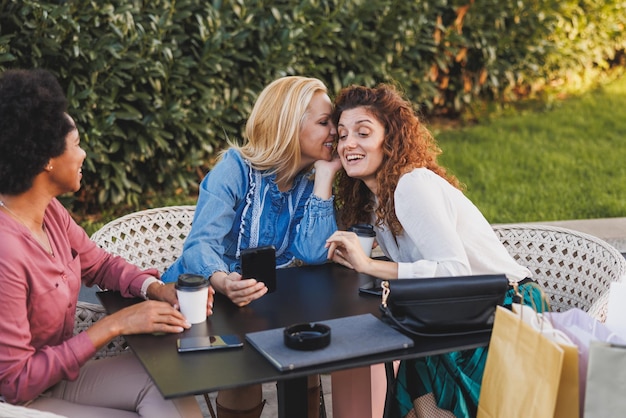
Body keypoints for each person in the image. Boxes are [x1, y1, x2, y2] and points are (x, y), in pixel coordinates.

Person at [0, 68, 214, 418]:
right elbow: (14, 381)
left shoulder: (50, 212)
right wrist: (114, 325)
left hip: (58, 376)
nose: (83, 154)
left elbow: (99, 264)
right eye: (77, 144)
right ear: (46, 161)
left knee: (169, 383)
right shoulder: (6, 251)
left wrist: (155, 289)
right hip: (18, 400)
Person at [325, 83, 545, 418]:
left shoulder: (411, 185)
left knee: (423, 401)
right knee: (419, 395)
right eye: (342, 135)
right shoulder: (376, 200)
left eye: (363, 132)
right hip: (455, 312)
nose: (348, 143)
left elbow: (454, 271)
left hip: (505, 311)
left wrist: (370, 265)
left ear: (391, 138)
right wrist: (324, 176)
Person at [162, 76, 342, 417]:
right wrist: (223, 280)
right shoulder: (234, 169)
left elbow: (313, 252)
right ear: (288, 126)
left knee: (305, 359)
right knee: (245, 368)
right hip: (204, 301)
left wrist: (324, 178)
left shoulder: (309, 181)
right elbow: (199, 246)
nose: (335, 130)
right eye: (324, 122)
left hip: (266, 303)